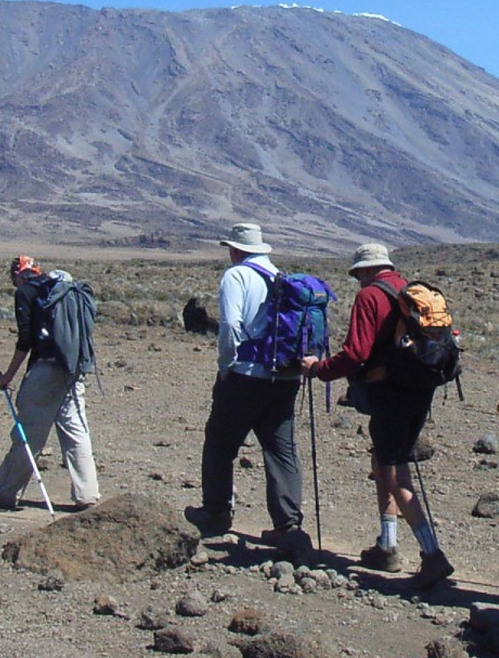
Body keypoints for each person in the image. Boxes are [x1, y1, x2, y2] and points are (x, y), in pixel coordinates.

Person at [301, 243, 454, 588]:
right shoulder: (408, 289)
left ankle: (433, 556)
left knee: (397, 472)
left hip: (391, 396)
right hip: (418, 391)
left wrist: (319, 370)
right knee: (383, 459)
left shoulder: (370, 296)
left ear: (367, 271)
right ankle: (387, 545)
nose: (358, 281)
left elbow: (355, 353)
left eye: (358, 274)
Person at [188, 223, 306, 553]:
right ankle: (289, 525)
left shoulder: (237, 276)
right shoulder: (281, 276)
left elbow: (230, 326)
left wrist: (226, 366)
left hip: (246, 375)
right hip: (285, 376)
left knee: (220, 442)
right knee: (281, 450)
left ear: (236, 249)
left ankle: (216, 511)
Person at [0, 256, 101, 510]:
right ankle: (87, 495)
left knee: (28, 432)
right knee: (76, 430)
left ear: (18, 275)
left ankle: (4, 492)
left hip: (46, 369)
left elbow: (25, 340)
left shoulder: (26, 293)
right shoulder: (57, 290)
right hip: (72, 368)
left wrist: (7, 377)